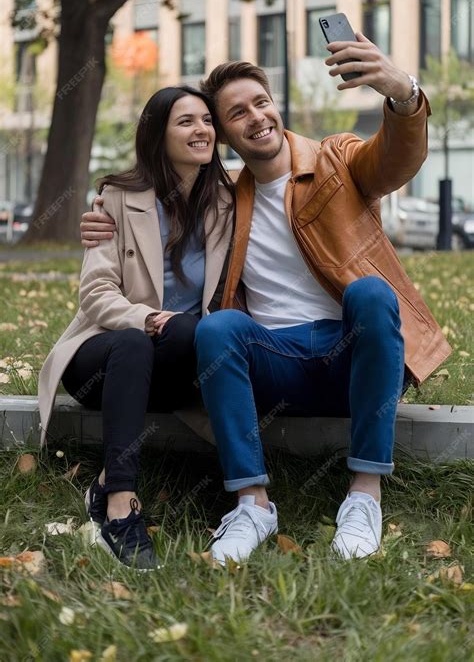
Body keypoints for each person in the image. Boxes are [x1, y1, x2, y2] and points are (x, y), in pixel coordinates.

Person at [81, 32, 451, 565]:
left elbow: (394, 160)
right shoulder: (225, 199)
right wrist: (103, 216)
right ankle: (251, 505)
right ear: (224, 135)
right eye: (236, 113)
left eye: (261, 102)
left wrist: (402, 94)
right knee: (218, 327)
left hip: (354, 358)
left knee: (371, 292)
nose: (256, 117)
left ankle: (364, 495)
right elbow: (163, 197)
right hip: (274, 366)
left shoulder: (338, 158)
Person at [39, 86, 233, 570]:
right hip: (102, 357)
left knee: (190, 332)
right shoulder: (118, 198)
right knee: (133, 341)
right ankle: (120, 504)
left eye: (208, 121)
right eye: (186, 121)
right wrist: (146, 318)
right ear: (157, 134)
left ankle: (102, 486)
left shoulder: (229, 203)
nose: (202, 130)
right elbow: (96, 294)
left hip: (176, 358)